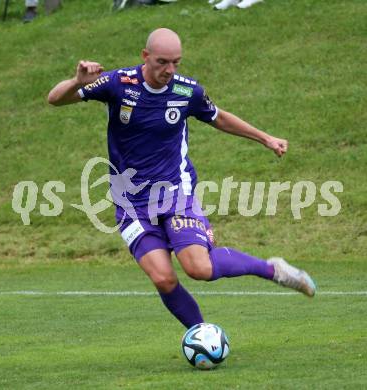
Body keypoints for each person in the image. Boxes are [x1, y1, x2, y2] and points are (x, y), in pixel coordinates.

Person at [48, 28, 316, 329]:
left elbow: (219, 117)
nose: (170, 70)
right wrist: (76, 82)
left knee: (199, 268)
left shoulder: (187, 91)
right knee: (163, 278)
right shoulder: (117, 83)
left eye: (176, 62)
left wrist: (265, 138)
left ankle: (272, 269)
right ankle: (200, 333)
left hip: (175, 194)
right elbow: (55, 99)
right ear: (145, 56)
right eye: (163, 62)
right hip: (132, 203)